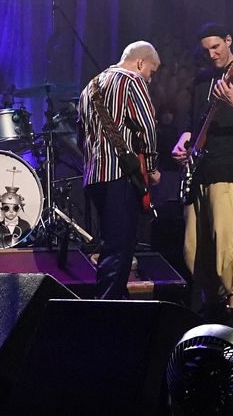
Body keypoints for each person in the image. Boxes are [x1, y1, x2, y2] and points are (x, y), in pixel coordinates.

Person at [171, 24, 233, 330]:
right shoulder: (202, 82)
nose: (212, 54)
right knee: (193, 247)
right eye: (206, 50)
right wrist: (182, 141)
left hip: (230, 167)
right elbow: (193, 125)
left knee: (227, 241)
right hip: (200, 169)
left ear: (229, 41)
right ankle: (212, 302)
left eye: (216, 47)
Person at [79, 41, 161, 299]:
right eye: (151, 72)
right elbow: (147, 128)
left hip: (94, 176)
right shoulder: (131, 81)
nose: (150, 79)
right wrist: (151, 166)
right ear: (140, 63)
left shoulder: (89, 87)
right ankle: (108, 310)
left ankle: (112, 301)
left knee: (109, 245)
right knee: (121, 247)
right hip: (120, 175)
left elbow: (81, 134)